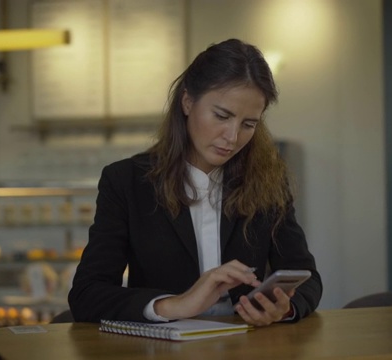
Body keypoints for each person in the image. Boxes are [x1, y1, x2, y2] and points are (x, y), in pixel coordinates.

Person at [69, 38, 322, 327]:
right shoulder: (126, 181)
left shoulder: (268, 181)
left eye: (249, 124)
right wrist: (175, 305)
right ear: (187, 102)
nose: (232, 136)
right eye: (221, 116)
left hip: (249, 347)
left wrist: (283, 308)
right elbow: (87, 295)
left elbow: (307, 278)